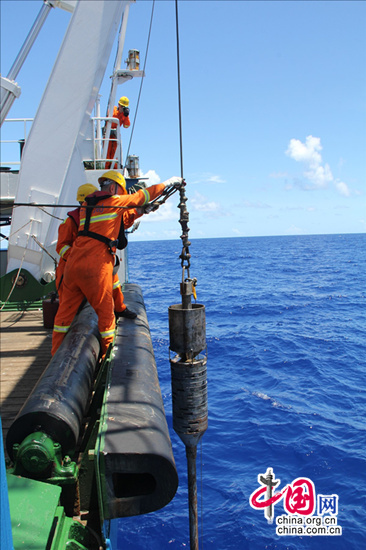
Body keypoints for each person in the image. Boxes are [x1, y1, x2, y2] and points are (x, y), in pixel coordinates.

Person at [52, 171, 183, 359]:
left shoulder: (85, 208)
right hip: (96, 268)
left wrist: (141, 211)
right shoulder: (113, 201)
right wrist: (168, 183)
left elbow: (119, 220)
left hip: (73, 266)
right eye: (121, 192)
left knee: (63, 317)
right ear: (113, 188)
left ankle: (55, 356)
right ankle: (108, 360)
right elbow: (142, 196)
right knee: (106, 317)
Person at [55, 181, 136, 319]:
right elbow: (61, 247)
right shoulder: (70, 222)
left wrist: (139, 210)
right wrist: (77, 256)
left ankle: (119, 308)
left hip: (97, 261)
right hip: (72, 267)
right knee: (69, 307)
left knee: (114, 282)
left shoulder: (97, 217)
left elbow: (121, 220)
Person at [105, 96, 130, 169]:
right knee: (107, 153)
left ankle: (115, 168)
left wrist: (126, 116)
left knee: (115, 153)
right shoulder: (113, 109)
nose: (122, 108)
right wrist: (120, 112)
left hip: (115, 135)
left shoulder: (124, 115)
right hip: (107, 134)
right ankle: (106, 168)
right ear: (119, 105)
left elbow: (126, 125)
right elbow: (111, 117)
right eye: (121, 106)